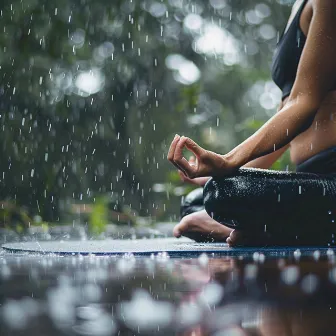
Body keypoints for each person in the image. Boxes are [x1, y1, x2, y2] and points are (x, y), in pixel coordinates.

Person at [168, 0, 336, 247]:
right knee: (199, 200)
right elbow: (288, 113)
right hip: (314, 177)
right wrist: (232, 171)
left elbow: (303, 104)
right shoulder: (300, 5)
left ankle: (277, 228)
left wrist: (229, 161)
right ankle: (281, 226)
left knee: (223, 197)